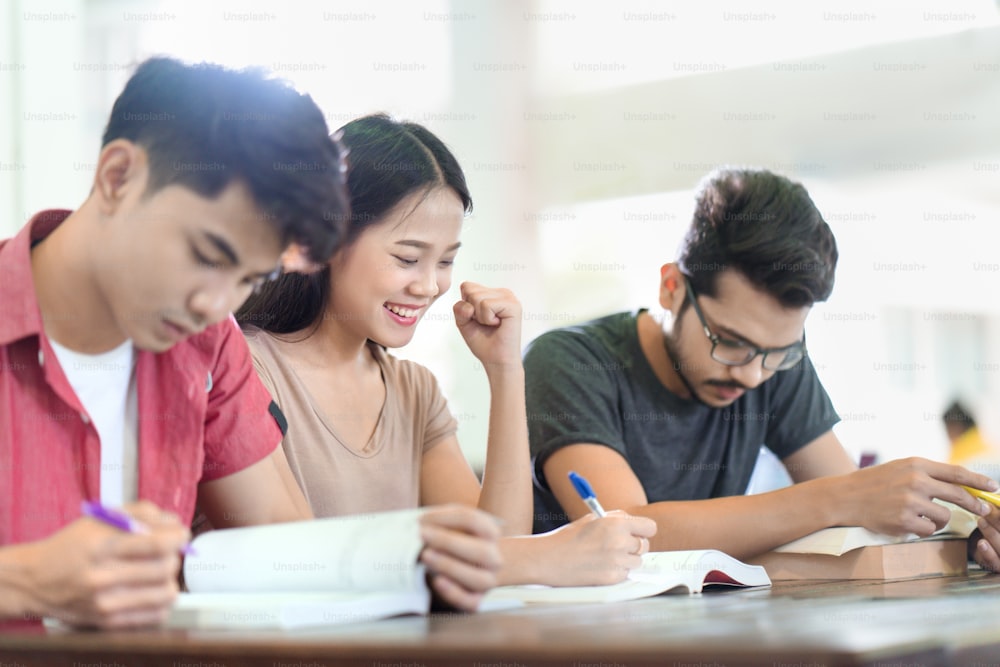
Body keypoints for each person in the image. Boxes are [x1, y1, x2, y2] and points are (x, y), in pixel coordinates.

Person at [0, 59, 500, 629]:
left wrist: (403, 551)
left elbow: (282, 548)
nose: (216, 305)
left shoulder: (208, 348)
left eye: (248, 278)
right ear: (118, 177)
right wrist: (26, 580)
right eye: (208, 256)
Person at [236, 114, 656, 587]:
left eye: (447, 260)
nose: (430, 285)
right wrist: (541, 557)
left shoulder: (414, 389)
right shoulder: (245, 368)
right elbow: (291, 562)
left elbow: (497, 546)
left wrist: (504, 372)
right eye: (408, 258)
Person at [523, 167, 1000, 568]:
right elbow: (626, 530)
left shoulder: (773, 361)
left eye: (780, 352)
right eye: (729, 343)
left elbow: (858, 513)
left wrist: (971, 541)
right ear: (671, 288)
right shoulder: (570, 363)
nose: (752, 376)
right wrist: (841, 497)